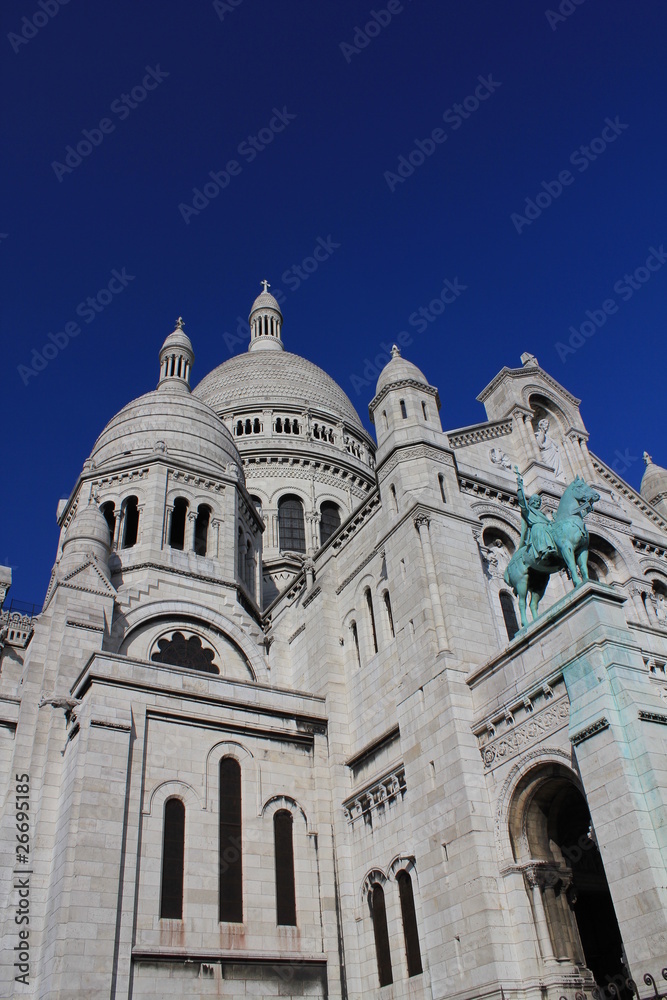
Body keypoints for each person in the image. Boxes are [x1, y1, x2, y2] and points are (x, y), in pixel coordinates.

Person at [515, 468, 557, 560]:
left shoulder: (542, 514)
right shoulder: (528, 511)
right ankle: (544, 550)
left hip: (546, 528)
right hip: (537, 530)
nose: (538, 503)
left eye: (539, 501)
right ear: (532, 502)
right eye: (536, 501)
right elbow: (522, 502)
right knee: (540, 528)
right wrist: (519, 488)